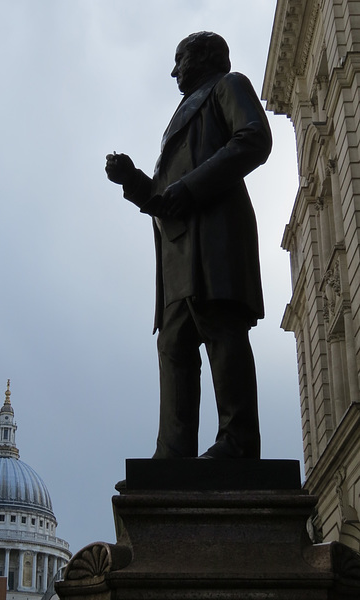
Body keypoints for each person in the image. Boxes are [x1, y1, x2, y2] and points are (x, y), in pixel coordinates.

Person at [105, 32, 272, 460]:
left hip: (215, 240)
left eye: (179, 60)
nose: (174, 70)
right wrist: (134, 180)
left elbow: (254, 139)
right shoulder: (183, 114)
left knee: (221, 330)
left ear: (202, 58)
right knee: (173, 345)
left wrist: (191, 188)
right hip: (178, 254)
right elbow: (165, 197)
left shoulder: (229, 85)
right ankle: (173, 452)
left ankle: (237, 441)